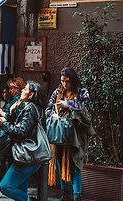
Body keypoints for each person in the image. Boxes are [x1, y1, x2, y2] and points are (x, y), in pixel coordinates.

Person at [45, 67, 92, 201]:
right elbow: (48, 109)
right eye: (62, 81)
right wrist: (53, 113)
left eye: (67, 81)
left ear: (73, 80)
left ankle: (77, 197)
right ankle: (65, 195)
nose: (64, 84)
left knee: (75, 166)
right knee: (60, 163)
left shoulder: (82, 92)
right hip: (59, 134)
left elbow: (88, 110)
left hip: (76, 136)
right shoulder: (58, 91)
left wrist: (69, 104)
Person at [0, 80, 46, 201]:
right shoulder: (34, 108)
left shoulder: (30, 109)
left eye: (25, 89)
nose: (22, 91)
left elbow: (21, 132)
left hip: (27, 156)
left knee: (5, 186)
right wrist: (12, 113)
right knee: (20, 188)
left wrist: (4, 123)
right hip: (28, 155)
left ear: (31, 94)